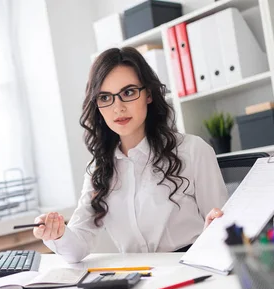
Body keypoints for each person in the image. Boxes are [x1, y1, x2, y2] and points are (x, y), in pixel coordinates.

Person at [33, 47, 228, 263]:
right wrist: (57, 234)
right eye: (105, 97)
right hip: (137, 280)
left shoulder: (192, 151)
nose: (118, 108)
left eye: (128, 93)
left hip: (192, 271)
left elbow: (224, 228)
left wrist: (216, 231)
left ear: (148, 95)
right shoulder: (100, 168)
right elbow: (77, 249)